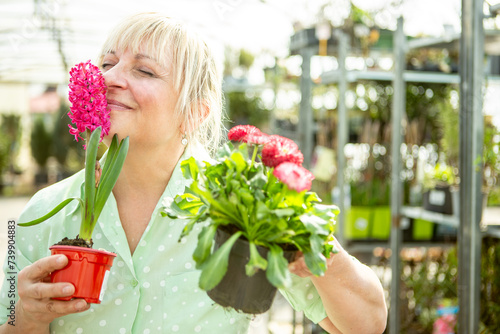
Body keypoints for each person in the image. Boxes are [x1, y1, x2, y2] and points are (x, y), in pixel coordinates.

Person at [0, 13, 387, 334]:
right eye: (107, 63)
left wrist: (319, 251)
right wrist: (25, 317)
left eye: (145, 71)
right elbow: (9, 321)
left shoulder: (242, 205)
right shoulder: (44, 211)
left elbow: (365, 324)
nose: (111, 78)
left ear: (196, 112)